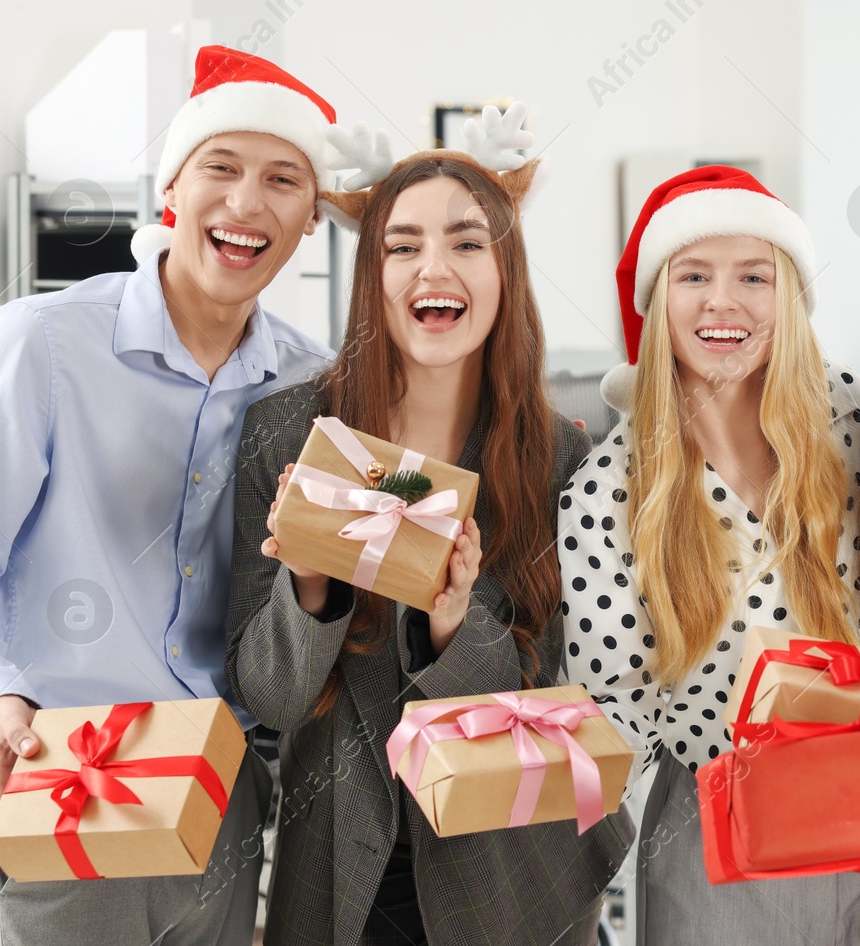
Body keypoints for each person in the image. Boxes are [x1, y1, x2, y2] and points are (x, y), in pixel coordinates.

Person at [0, 45, 337, 945]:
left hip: (226, 797)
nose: (248, 204)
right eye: (222, 167)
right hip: (64, 770)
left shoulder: (311, 386)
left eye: (283, 179)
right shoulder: (41, 346)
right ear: (172, 182)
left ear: (312, 217)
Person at [226, 127, 634, 946]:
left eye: (466, 241)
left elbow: (556, 692)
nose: (433, 268)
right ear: (371, 278)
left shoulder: (559, 454)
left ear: (503, 273)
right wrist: (308, 585)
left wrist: (452, 623)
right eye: (402, 245)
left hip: (510, 879)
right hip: (342, 874)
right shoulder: (289, 432)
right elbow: (268, 698)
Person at [560, 166, 860, 945]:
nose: (723, 301)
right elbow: (615, 709)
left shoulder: (856, 417)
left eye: (754, 275)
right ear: (657, 302)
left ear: (789, 297)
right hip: (721, 834)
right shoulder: (608, 491)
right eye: (694, 275)